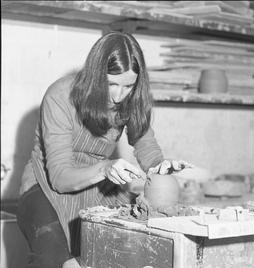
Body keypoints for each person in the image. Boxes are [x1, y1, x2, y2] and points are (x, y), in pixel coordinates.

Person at [17, 31, 193, 268]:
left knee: (134, 244)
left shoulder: (132, 99)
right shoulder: (60, 96)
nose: (119, 95)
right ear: (96, 75)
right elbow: (59, 178)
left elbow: (145, 144)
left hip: (99, 182)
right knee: (56, 260)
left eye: (128, 85)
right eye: (112, 84)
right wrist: (105, 169)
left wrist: (159, 166)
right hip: (46, 183)